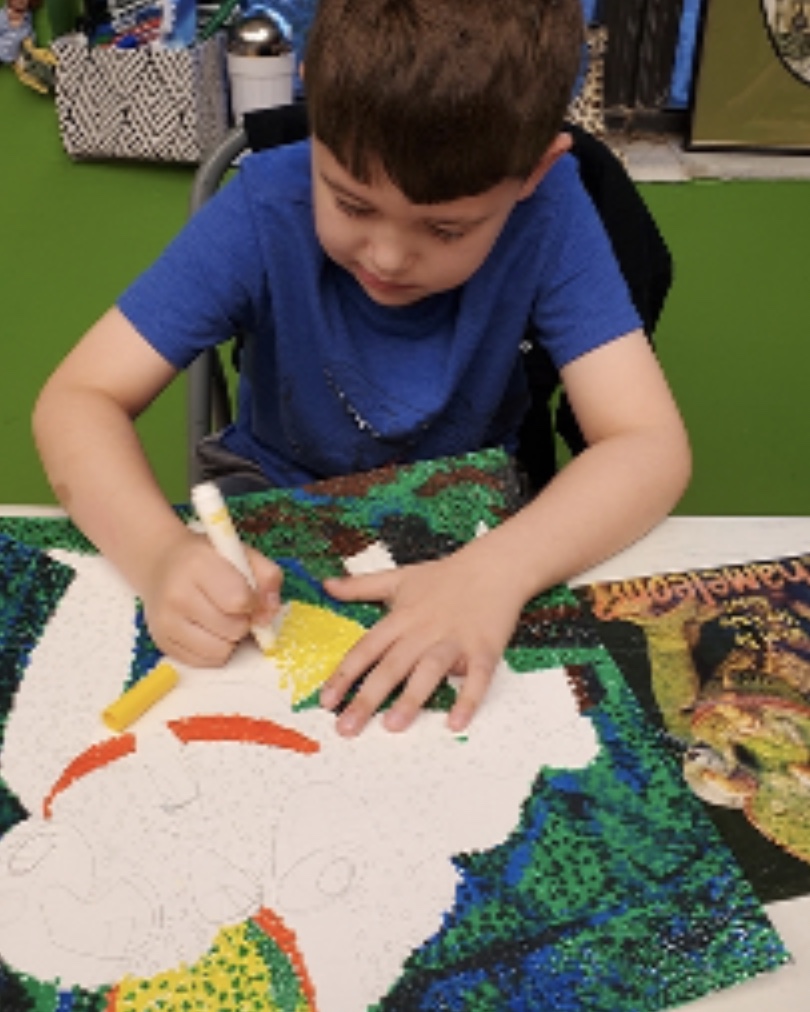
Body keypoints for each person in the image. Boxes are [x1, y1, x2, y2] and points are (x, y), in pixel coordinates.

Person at [33, 0, 691, 739]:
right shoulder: (264, 207)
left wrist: (497, 571)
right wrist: (157, 555)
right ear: (314, 111)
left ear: (535, 171)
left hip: (475, 538)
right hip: (273, 520)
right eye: (351, 203)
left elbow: (648, 446)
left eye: (445, 228)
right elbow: (78, 399)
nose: (387, 256)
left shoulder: (553, 214)